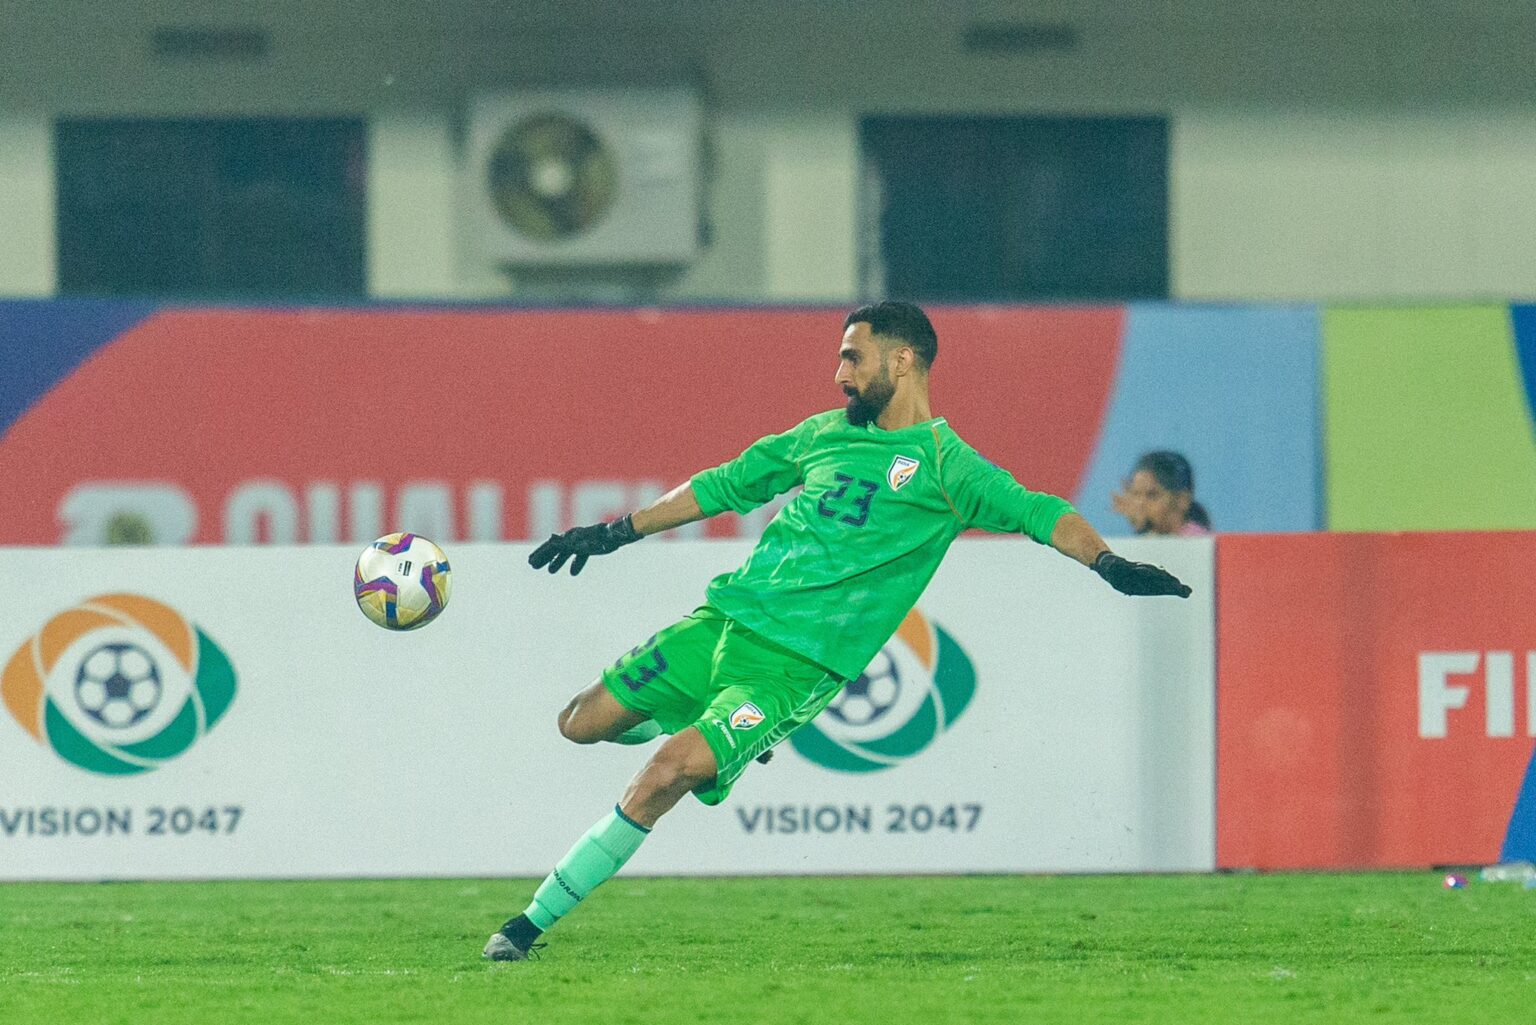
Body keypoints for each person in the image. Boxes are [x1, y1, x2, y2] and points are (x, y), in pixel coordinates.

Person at [483, 301, 1191, 962]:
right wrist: (614, 533)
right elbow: (725, 484)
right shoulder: (822, 435)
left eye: (853, 357)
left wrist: (1107, 562)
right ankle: (712, 730)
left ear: (903, 361)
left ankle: (526, 926)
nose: (839, 373)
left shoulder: (948, 468)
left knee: (665, 774)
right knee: (579, 722)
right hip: (722, 623)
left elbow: (1039, 510)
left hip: (791, 671)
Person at [1111, 451, 1212, 536]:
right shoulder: (1151, 539)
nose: (1140, 504)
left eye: (1152, 495)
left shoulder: (1196, 541)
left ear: (1182, 500)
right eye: (1135, 494)